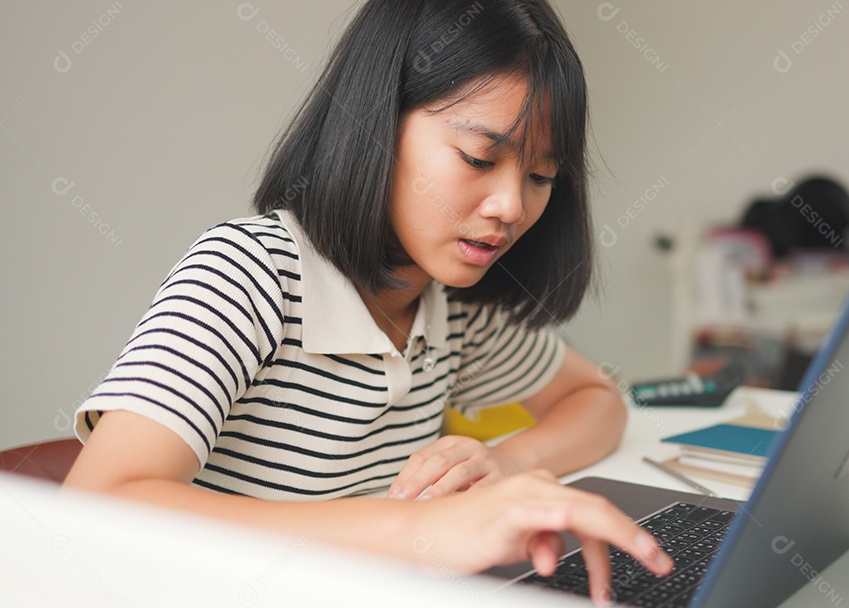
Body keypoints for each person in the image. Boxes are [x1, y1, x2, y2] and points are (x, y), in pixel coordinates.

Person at [62, 0, 672, 603]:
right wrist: (422, 531)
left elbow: (597, 399)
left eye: (541, 177)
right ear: (376, 124)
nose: (511, 207)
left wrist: (509, 463)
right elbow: (101, 502)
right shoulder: (251, 273)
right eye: (479, 158)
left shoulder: (457, 306)